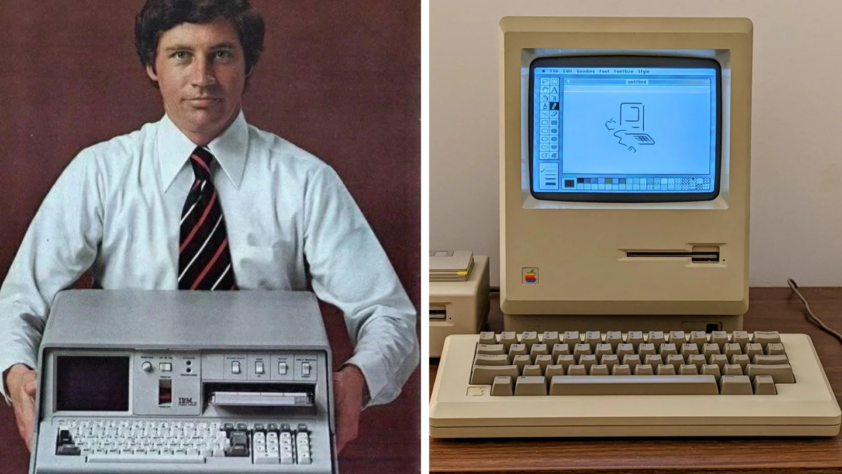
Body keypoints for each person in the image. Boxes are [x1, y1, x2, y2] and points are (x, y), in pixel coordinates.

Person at [0, 0, 418, 455]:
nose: (202, 77)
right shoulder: (99, 174)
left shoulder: (305, 182)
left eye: (221, 54)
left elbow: (389, 315)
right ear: (151, 65)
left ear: (247, 63)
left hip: (265, 430)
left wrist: (356, 380)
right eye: (181, 55)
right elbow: (19, 300)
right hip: (129, 429)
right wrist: (17, 373)